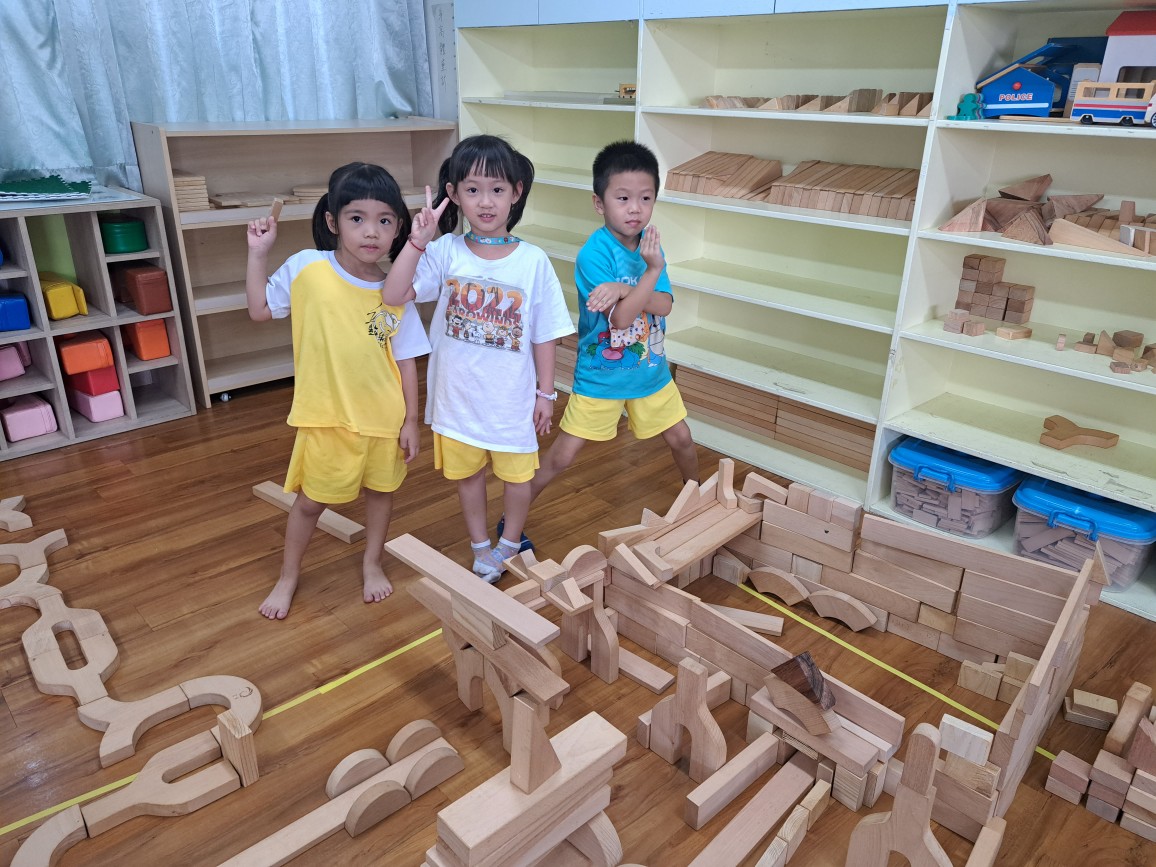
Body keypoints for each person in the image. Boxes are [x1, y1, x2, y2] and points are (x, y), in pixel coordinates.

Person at [381, 135, 574, 582]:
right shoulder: (444, 251)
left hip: (511, 399)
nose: (485, 201)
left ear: (516, 192)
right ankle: (480, 547)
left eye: (497, 189)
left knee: (517, 476)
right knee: (467, 476)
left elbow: (545, 333)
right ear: (453, 194)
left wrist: (546, 393)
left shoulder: (533, 261)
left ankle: (509, 543)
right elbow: (394, 294)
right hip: (457, 397)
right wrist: (416, 242)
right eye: (472, 189)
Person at [245, 162, 429, 619]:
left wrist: (410, 420)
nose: (371, 231)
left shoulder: (396, 291)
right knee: (310, 503)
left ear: (399, 229)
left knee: (380, 495)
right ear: (333, 221)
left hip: (383, 419)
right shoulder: (306, 267)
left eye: (384, 220)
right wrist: (257, 253)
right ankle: (288, 576)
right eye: (357, 218)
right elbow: (260, 310)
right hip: (326, 418)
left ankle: (372, 563)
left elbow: (406, 360)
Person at [528, 140, 698, 508]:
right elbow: (621, 319)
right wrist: (648, 277)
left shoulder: (650, 248)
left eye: (645, 198)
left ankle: (697, 499)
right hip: (601, 375)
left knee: (682, 439)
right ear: (599, 203)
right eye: (623, 198)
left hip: (649, 371)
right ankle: (514, 513)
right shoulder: (594, 255)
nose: (635, 208)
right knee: (563, 456)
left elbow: (665, 305)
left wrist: (625, 287)